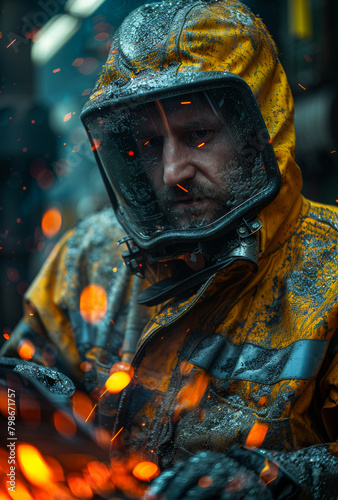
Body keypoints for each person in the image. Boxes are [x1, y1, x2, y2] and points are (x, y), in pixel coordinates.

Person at [1, 0, 338, 498]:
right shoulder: (88, 258)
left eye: (198, 134)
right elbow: (17, 422)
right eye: (151, 145)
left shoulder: (328, 275)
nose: (172, 172)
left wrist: (278, 481)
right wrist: (23, 401)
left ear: (258, 131)